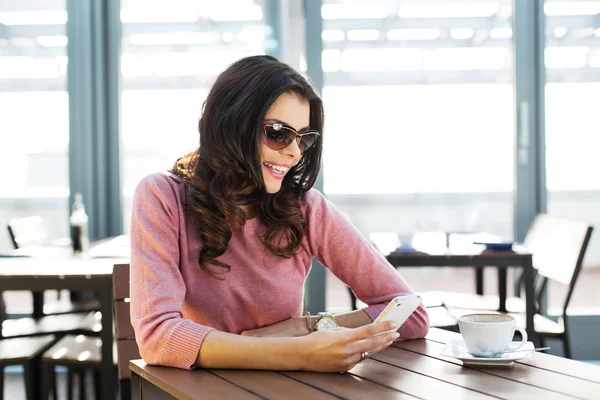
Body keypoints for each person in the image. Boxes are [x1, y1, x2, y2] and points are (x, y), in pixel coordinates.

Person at [130, 55, 429, 373]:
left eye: (304, 138)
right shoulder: (163, 197)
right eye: (277, 133)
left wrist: (306, 328)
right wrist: (297, 353)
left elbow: (410, 313)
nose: (295, 152)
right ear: (231, 124)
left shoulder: (306, 208)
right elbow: (158, 337)